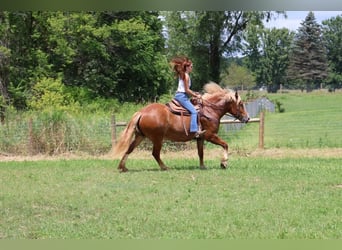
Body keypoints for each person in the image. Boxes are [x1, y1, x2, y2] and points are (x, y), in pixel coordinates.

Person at [170, 56, 206, 138]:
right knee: (194, 111)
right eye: (191, 66)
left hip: (181, 95)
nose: (192, 68)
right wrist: (196, 95)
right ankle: (195, 131)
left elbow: (187, 89)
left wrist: (194, 92)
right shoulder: (186, 76)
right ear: (187, 67)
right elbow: (186, 90)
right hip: (182, 96)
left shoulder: (183, 75)